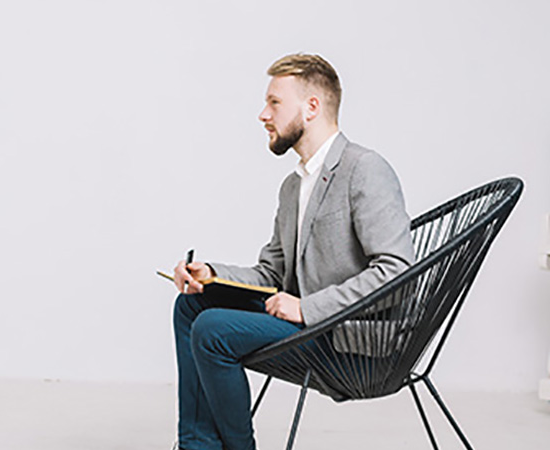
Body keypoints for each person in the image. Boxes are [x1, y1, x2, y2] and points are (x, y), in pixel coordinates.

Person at [169, 53, 414, 450]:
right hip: (309, 329)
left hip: (350, 340)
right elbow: (270, 274)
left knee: (214, 330)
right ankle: (197, 447)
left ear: (311, 106)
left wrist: (308, 308)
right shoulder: (292, 186)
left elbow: (397, 275)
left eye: (274, 102)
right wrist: (211, 273)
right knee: (192, 307)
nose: (263, 114)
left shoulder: (364, 169)